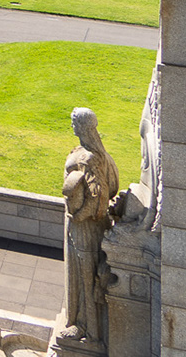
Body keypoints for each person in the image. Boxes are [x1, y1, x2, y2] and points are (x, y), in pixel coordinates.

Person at [61, 107, 120, 342]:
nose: (73, 127)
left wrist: (77, 217)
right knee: (79, 275)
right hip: (81, 225)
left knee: (84, 277)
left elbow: (99, 197)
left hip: (85, 228)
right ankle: (80, 322)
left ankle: (87, 328)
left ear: (82, 127)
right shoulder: (90, 152)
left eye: (75, 123)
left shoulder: (90, 158)